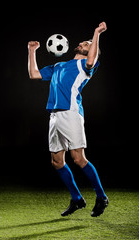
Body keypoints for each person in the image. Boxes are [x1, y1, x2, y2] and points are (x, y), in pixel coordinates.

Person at [28, 22, 109, 217]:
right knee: (57, 162)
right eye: (85, 42)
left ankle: (101, 197)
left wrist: (96, 33)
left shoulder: (86, 66)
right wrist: (31, 51)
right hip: (54, 116)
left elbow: (91, 60)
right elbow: (34, 74)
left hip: (71, 113)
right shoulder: (58, 65)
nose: (84, 43)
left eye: (88, 44)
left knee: (78, 159)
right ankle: (77, 199)